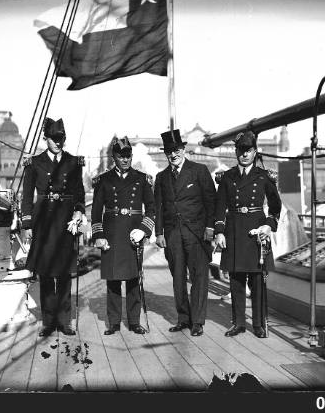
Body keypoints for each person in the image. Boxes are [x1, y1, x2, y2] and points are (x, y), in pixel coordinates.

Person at [21, 117, 85, 337]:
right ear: (45, 138)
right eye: (54, 138)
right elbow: (27, 195)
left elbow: (79, 194)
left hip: (67, 222)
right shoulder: (34, 163)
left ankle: (65, 321)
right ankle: (48, 322)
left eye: (62, 138)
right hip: (43, 221)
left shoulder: (73, 162)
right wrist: (27, 222)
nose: (58, 142)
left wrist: (78, 211)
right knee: (46, 272)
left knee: (66, 272)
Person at [214, 131, 282, 338]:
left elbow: (275, 206)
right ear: (236, 152)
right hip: (234, 231)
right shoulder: (227, 177)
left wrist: (269, 225)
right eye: (241, 151)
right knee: (236, 280)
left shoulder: (264, 177)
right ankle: (239, 323)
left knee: (258, 280)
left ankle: (259, 324)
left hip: (256, 232)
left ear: (254, 152)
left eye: (248, 151)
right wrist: (219, 232)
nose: (244, 155)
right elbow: (219, 207)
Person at [154, 129, 216, 337]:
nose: (173, 154)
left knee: (199, 276)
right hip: (172, 235)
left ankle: (197, 321)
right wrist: (159, 233)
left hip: (196, 233)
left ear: (183, 149)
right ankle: (183, 318)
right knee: (177, 277)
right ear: (166, 154)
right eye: (169, 151)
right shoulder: (161, 177)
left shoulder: (199, 171)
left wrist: (210, 228)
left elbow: (211, 202)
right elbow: (159, 207)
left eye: (177, 150)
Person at [91, 137, 155, 335]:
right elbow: (95, 211)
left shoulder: (142, 179)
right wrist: (99, 236)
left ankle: (134, 321)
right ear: (114, 157)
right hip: (111, 233)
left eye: (128, 156)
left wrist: (144, 230)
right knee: (113, 279)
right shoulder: (103, 180)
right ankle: (114, 322)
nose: (125, 160)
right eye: (121, 156)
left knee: (134, 277)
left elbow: (152, 208)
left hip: (133, 233)